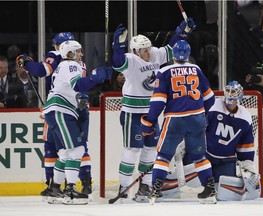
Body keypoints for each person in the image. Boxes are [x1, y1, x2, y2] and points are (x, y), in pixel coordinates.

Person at [112, 17, 197, 202]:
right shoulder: (131, 59)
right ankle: (124, 187)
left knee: (151, 149)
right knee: (132, 149)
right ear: (136, 51)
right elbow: (117, 63)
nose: (148, 53)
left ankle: (145, 186)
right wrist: (118, 46)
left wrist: (182, 32)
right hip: (132, 113)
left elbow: (170, 48)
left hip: (150, 113)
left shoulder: (155, 54)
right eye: (144, 50)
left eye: (149, 48)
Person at [16, 32, 100, 197]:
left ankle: (54, 185)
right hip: (73, 106)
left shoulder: (59, 56)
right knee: (78, 146)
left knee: (59, 147)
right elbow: (80, 84)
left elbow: (41, 70)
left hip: (62, 106)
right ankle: (83, 182)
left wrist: (26, 62)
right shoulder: (77, 63)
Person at [140, 40, 216, 204]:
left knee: (163, 156)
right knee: (199, 156)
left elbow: (159, 101)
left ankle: (156, 190)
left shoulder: (165, 71)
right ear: (188, 54)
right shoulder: (196, 69)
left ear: (173, 54)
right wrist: (203, 115)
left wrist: (149, 121)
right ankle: (209, 189)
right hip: (197, 118)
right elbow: (210, 98)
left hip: (175, 119)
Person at [162, 81, 261, 201]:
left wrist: (248, 165)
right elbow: (197, 126)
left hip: (226, 160)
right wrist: (187, 141)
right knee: (192, 180)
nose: (230, 96)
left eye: (233, 93)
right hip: (203, 154)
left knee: (226, 194)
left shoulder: (245, 117)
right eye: (228, 92)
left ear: (239, 96)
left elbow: (245, 145)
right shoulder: (213, 105)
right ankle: (166, 185)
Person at [41, 40, 111, 204]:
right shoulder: (70, 65)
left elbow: (77, 89)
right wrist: (94, 77)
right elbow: (78, 85)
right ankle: (70, 190)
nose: (82, 54)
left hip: (57, 110)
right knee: (77, 149)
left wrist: (94, 79)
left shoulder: (64, 66)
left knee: (66, 152)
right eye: (78, 51)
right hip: (61, 110)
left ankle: (54, 189)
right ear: (71, 54)